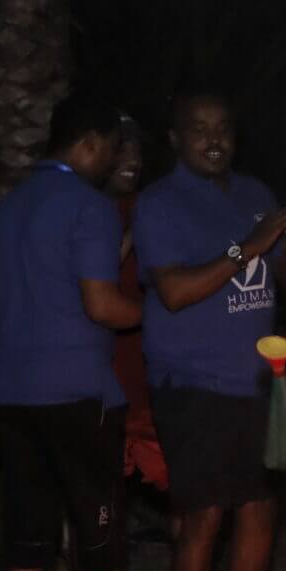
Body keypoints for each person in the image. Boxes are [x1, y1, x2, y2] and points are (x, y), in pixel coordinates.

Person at [134, 93, 286, 571]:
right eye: (199, 130)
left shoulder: (255, 192)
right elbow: (177, 292)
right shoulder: (160, 204)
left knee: (260, 509)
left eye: (223, 129)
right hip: (193, 382)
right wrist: (252, 244)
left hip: (258, 379)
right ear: (175, 137)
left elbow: (284, 280)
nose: (213, 140)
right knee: (204, 517)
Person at [0, 93, 148, 571]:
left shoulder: (8, 210)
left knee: (29, 532)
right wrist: (157, 315)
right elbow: (104, 305)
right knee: (99, 526)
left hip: (12, 395)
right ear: (93, 144)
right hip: (78, 393)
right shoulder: (90, 207)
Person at [101, 114, 167, 493]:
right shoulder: (86, 210)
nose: (133, 160)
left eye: (138, 151)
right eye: (123, 150)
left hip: (149, 353)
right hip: (107, 357)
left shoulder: (151, 204)